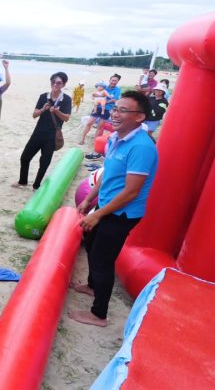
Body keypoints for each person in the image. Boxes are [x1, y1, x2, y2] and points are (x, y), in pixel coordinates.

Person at [69, 91, 158, 327]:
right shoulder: (116, 138)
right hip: (106, 205)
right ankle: (92, 286)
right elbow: (107, 172)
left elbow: (131, 192)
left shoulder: (141, 147)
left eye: (123, 110)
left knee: (102, 260)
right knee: (91, 243)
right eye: (115, 108)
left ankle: (99, 315)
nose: (115, 114)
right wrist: (90, 199)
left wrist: (98, 215)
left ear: (139, 117)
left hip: (122, 214)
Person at [14, 72, 72, 190]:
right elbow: (34, 115)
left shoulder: (66, 99)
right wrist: (42, 109)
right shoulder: (43, 96)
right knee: (25, 157)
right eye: (53, 82)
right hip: (38, 133)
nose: (55, 84)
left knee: (44, 162)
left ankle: (36, 185)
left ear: (63, 84)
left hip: (52, 136)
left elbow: (66, 118)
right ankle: (22, 181)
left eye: (58, 83)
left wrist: (56, 111)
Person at [80, 74, 121, 145]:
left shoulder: (118, 89)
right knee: (89, 123)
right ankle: (82, 139)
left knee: (100, 126)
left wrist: (104, 101)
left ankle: (95, 142)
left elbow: (114, 99)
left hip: (107, 109)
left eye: (115, 81)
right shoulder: (103, 86)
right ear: (109, 80)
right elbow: (95, 94)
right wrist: (99, 98)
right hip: (97, 107)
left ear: (117, 82)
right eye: (112, 80)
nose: (113, 82)